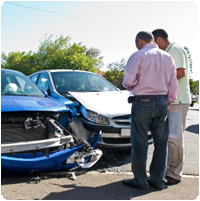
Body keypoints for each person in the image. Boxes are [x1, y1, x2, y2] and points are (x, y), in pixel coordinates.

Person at [122, 31, 178, 190]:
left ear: (140, 41)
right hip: (162, 102)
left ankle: (140, 180)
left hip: (143, 103)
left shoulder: (138, 56)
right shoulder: (167, 57)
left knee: (140, 142)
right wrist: (169, 100)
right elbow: (173, 83)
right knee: (161, 143)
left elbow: (129, 80)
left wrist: (129, 85)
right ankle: (158, 180)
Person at [152, 29, 191, 185]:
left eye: (154, 43)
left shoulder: (174, 49)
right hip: (172, 102)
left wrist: (160, 82)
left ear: (159, 39)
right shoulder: (168, 51)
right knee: (170, 138)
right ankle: (168, 171)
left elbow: (180, 72)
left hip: (178, 101)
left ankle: (174, 174)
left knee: (174, 139)